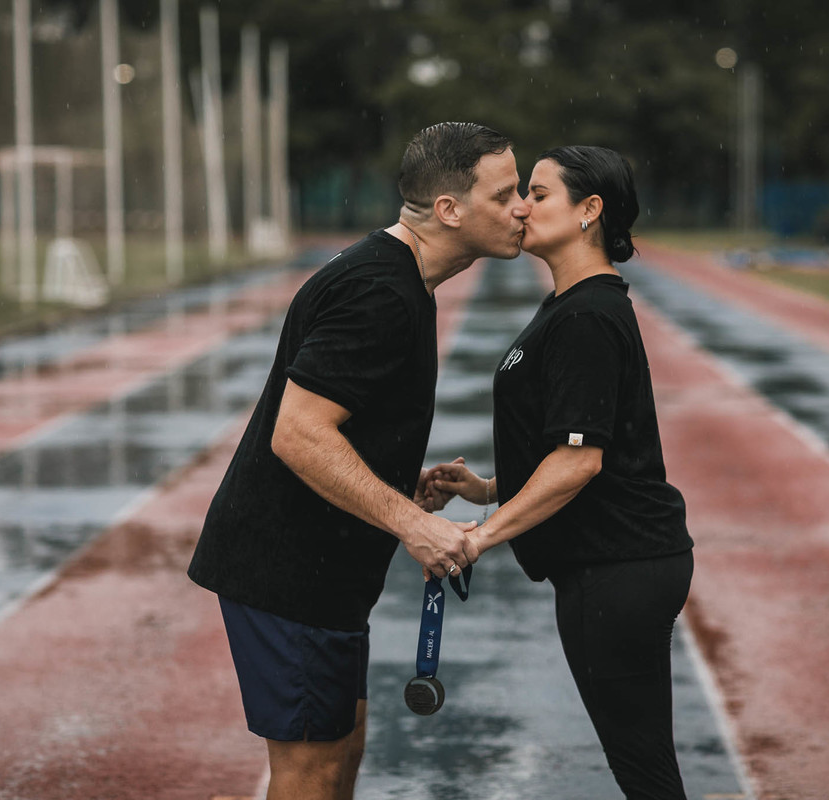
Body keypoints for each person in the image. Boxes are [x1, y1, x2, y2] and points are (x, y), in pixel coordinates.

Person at [187, 122, 529, 800]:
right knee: (312, 770)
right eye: (507, 193)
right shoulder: (379, 292)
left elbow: (340, 424)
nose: (522, 206)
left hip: (327, 569)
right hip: (288, 569)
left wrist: (403, 485)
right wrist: (410, 522)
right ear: (449, 210)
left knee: (342, 755)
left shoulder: (405, 279)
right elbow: (299, 434)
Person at [426, 145, 695, 799]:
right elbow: (573, 448)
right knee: (639, 764)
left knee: (645, 770)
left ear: (589, 211)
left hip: (620, 567)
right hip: (604, 565)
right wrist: (490, 489)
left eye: (540, 194)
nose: (521, 206)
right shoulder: (571, 306)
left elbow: (581, 461)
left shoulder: (589, 316)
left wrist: (477, 538)